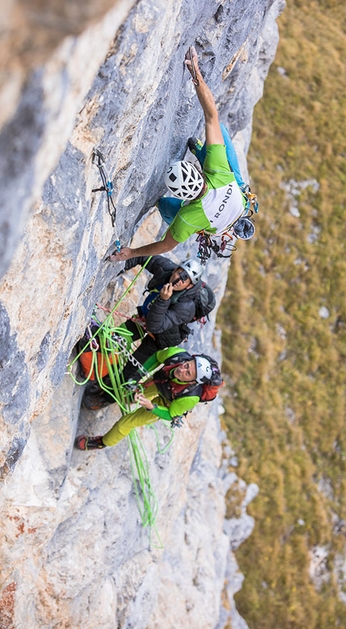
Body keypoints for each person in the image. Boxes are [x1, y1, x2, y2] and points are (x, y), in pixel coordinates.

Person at [110, 45, 248, 263]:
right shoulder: (192, 210)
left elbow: (211, 115)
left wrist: (196, 72)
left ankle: (202, 151)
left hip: (228, 208)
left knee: (164, 205)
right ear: (202, 173)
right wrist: (131, 253)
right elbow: (165, 246)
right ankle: (202, 150)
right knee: (218, 131)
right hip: (234, 199)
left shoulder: (188, 216)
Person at [82, 255, 214, 409]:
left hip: (159, 339)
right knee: (113, 340)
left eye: (184, 279)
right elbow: (142, 257)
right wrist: (118, 269)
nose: (178, 279)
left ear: (190, 286)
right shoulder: (166, 269)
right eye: (179, 272)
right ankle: (102, 376)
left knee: (130, 373)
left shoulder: (186, 307)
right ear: (176, 268)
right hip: (145, 318)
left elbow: (155, 327)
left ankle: (105, 398)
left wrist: (164, 300)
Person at [76, 347, 223, 450]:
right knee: (128, 396)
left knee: (126, 424)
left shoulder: (190, 398)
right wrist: (137, 376)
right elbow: (157, 357)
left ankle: (102, 443)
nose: (182, 370)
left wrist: (151, 406)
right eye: (186, 365)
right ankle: (109, 396)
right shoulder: (176, 355)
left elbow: (170, 414)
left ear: (192, 382)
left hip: (166, 402)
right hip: (160, 382)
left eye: (188, 373)